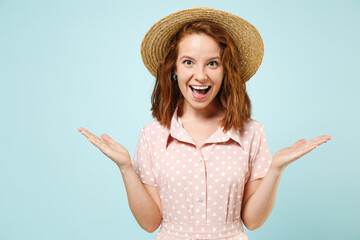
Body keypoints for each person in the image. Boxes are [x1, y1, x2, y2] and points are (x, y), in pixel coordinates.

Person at [78, 7, 331, 240]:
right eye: (188, 62)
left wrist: (276, 169)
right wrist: (125, 168)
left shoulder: (252, 132)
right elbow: (150, 223)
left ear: (225, 70)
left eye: (212, 63)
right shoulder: (151, 135)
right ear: (174, 69)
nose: (200, 75)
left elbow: (252, 222)